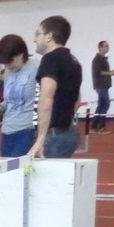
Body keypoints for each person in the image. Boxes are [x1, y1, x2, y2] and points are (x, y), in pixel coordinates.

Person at [28, 16, 83, 159]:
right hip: (68, 131)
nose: (35, 39)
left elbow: (46, 98)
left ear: (49, 37)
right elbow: (77, 98)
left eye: (37, 34)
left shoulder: (50, 59)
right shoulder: (74, 61)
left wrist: (40, 139)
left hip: (53, 135)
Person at [0, 34, 39, 157]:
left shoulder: (37, 68)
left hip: (27, 130)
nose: (7, 66)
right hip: (7, 130)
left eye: (10, 62)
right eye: (5, 64)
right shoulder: (8, 72)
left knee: (21, 167)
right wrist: (0, 107)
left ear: (21, 55)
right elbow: (9, 101)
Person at [91, 41, 114, 134]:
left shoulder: (101, 59)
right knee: (106, 104)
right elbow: (98, 72)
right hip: (101, 85)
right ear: (100, 48)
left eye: (107, 46)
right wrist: (110, 72)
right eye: (105, 46)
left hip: (102, 85)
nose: (107, 48)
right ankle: (101, 127)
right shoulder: (98, 59)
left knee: (101, 105)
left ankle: (94, 127)